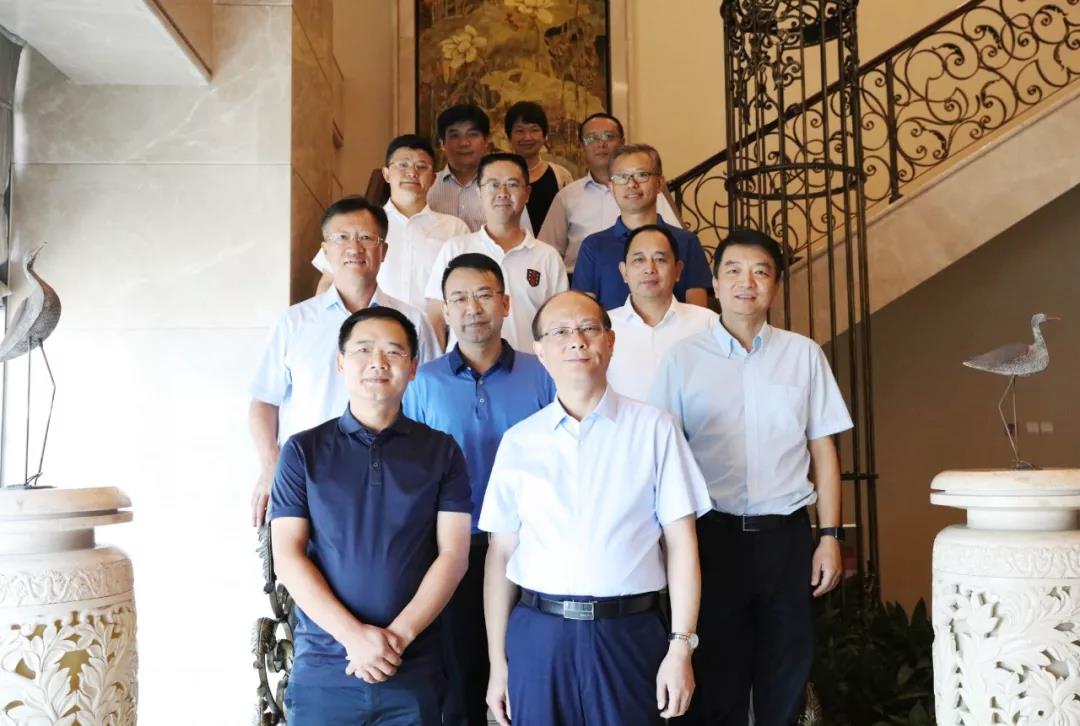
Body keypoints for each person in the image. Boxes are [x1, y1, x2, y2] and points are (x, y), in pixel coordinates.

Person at [480, 290, 712, 726]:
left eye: (589, 328)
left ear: (610, 340)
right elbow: (501, 555)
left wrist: (681, 646)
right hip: (540, 637)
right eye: (561, 332)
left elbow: (682, 544)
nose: (577, 340)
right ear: (540, 351)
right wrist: (497, 663)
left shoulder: (655, 429)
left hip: (628, 633)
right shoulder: (520, 442)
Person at [650, 228, 853, 725]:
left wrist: (829, 536)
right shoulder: (682, 360)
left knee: (786, 669)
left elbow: (823, 448)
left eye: (761, 272)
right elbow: (663, 459)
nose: (747, 282)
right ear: (716, 284)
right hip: (711, 537)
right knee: (716, 671)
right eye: (734, 271)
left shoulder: (804, 355)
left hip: (786, 536)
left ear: (775, 286)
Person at [270, 306, 472, 725]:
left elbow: (454, 556)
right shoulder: (302, 451)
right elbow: (287, 556)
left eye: (394, 351)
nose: (378, 362)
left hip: (413, 666)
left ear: (413, 367)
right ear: (341, 363)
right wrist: (354, 639)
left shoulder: (442, 451)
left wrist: (395, 639)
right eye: (363, 350)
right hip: (326, 667)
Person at [404, 253, 556, 726]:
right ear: (445, 311)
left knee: (531, 680)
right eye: (459, 298)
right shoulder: (422, 382)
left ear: (506, 303)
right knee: (462, 685)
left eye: (484, 295)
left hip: (532, 550)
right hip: (454, 553)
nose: (473, 308)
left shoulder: (543, 374)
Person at [248, 196, 440, 526]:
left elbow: (431, 399)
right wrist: (271, 467)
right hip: (308, 480)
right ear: (325, 251)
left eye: (366, 237)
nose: (354, 247)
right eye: (342, 237)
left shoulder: (412, 321)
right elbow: (264, 400)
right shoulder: (295, 322)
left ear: (384, 250)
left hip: (394, 481)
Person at [425, 152, 567, 353]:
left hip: (528, 367)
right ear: (478, 192)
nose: (503, 193)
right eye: (493, 184)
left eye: (512, 184)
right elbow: (437, 316)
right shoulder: (455, 249)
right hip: (464, 368)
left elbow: (559, 321)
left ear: (527, 193)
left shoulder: (547, 256)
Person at [311, 135, 469, 308]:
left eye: (422, 166)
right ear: (386, 174)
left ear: (433, 178)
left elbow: (466, 284)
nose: (412, 172)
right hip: (371, 323)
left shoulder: (455, 228)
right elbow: (329, 281)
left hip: (431, 325)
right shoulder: (360, 223)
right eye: (403, 165)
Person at [572, 144, 712, 310]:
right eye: (621, 177)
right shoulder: (594, 246)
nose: (631, 184)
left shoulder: (686, 241)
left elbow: (698, 312)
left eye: (641, 175)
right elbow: (583, 312)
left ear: (659, 184)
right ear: (611, 187)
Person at [537, 113, 680, 274]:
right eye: (591, 138)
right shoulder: (567, 197)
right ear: (582, 145)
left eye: (608, 137)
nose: (601, 144)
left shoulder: (645, 190)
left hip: (646, 278)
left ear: (622, 142)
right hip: (580, 281)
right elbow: (546, 252)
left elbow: (675, 239)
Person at [607, 224, 717, 401]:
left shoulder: (708, 323)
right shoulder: (603, 326)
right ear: (624, 271)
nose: (649, 269)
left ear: (677, 270)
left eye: (660, 259)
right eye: (639, 260)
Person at [503, 101, 574, 235]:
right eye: (520, 131)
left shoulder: (561, 176)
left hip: (553, 247)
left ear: (544, 135)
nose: (527, 137)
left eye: (534, 130)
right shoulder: (498, 176)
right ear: (508, 136)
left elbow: (571, 218)